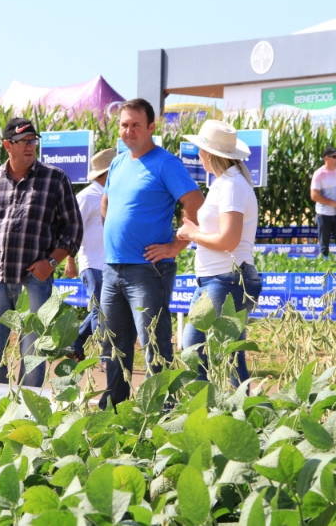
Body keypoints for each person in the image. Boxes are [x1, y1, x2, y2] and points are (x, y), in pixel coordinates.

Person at [99, 98, 205, 410]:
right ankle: (116, 409)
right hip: (112, 269)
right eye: (123, 125)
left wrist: (176, 245)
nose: (128, 130)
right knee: (114, 345)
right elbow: (107, 203)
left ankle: (161, 410)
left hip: (148, 271)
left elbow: (196, 204)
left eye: (135, 124)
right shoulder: (119, 162)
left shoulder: (165, 163)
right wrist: (116, 233)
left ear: (151, 128)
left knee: (154, 345)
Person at [0, 118, 83, 386]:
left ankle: (27, 418)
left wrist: (52, 262)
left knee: (33, 356)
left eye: (33, 141)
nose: (30, 147)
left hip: (35, 282)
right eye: (23, 142)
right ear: (8, 145)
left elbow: (73, 227)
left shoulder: (55, 179)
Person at [176, 120, 262, 386]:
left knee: (195, 353)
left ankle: (209, 416)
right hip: (220, 278)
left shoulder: (231, 185)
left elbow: (228, 240)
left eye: (199, 150)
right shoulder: (228, 182)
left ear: (208, 154)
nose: (198, 155)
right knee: (229, 357)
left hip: (225, 278)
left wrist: (191, 234)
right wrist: (197, 229)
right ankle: (240, 417)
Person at [64, 148, 115, 361]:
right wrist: (70, 259)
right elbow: (71, 228)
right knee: (101, 310)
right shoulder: (87, 196)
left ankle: (75, 343)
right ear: (107, 172)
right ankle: (105, 357)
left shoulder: (111, 193)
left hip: (111, 263)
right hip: (92, 263)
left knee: (100, 309)